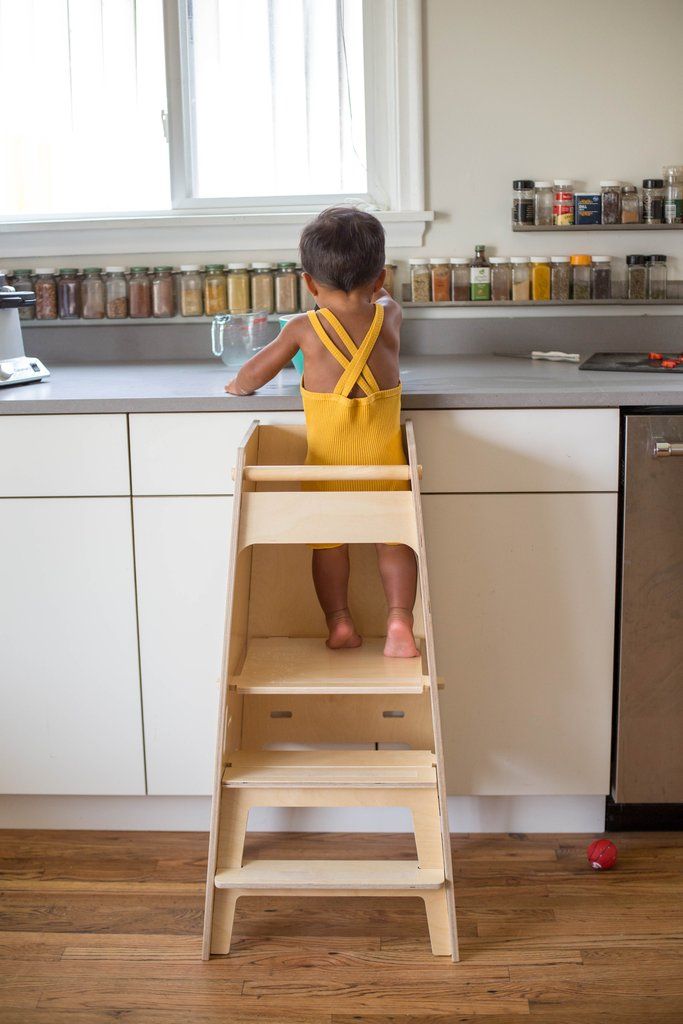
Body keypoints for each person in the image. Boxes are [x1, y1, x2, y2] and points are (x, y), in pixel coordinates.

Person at [225, 206, 418, 658]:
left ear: (309, 283)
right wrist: (376, 286)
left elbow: (252, 376)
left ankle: (340, 624)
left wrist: (235, 385)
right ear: (380, 277)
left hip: (328, 467)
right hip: (386, 465)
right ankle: (398, 622)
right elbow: (385, 299)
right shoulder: (389, 317)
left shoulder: (303, 328)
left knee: (328, 547)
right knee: (394, 539)